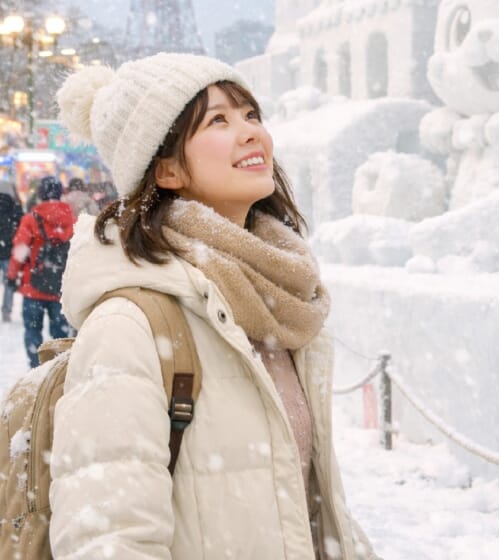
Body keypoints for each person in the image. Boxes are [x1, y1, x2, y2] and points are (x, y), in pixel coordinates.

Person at [52, 53, 379, 560]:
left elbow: (308, 507)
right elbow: (108, 538)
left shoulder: (284, 301)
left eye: (251, 115)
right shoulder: (130, 324)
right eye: (218, 121)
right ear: (165, 170)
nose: (251, 133)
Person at [7, 176, 75, 366]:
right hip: (60, 288)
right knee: (60, 335)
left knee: (32, 330)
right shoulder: (72, 220)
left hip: (32, 285)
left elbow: (20, 251)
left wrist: (12, 276)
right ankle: (57, 369)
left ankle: (36, 368)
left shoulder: (31, 219)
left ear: (40, 194)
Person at [0, 180, 23, 322]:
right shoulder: (15, 206)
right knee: (9, 281)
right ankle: (6, 310)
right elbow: (21, 228)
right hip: (9, 250)